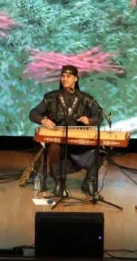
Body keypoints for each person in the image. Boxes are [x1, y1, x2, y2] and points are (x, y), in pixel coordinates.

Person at [29, 65, 106, 197]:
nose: (64, 79)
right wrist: (43, 121)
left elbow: (99, 115)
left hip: (78, 140)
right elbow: (33, 113)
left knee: (102, 150)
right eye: (63, 76)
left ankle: (88, 181)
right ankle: (59, 183)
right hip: (58, 140)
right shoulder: (51, 97)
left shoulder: (85, 98)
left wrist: (89, 121)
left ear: (75, 78)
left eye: (68, 76)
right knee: (53, 148)